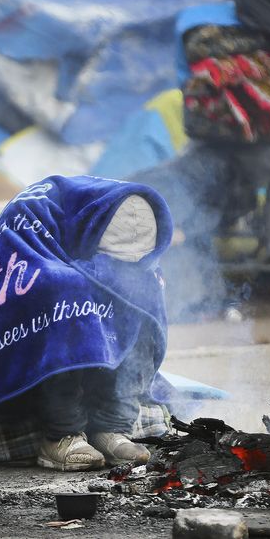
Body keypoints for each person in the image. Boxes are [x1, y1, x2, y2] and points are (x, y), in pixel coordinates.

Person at [34, 194, 158, 470]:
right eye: (116, 264)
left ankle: (110, 427)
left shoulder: (143, 261)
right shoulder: (48, 229)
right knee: (68, 307)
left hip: (103, 389)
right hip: (44, 382)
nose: (122, 272)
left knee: (144, 299)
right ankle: (60, 436)